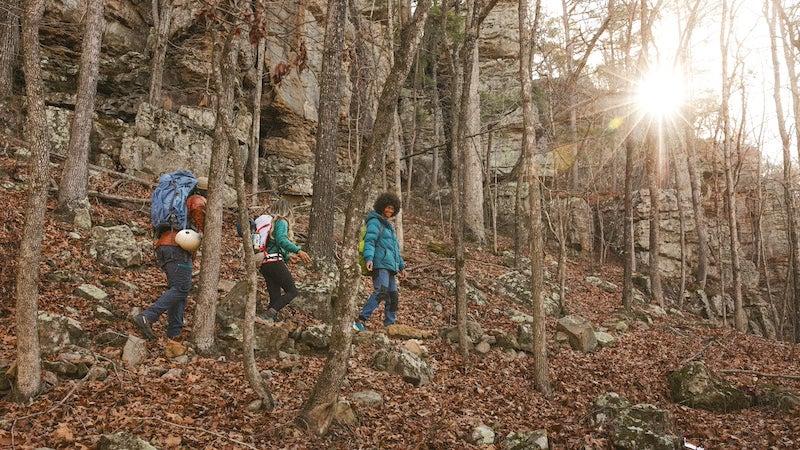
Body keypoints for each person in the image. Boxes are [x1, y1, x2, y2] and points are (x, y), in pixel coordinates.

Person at [133, 177, 207, 341]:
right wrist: (203, 230)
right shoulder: (196, 199)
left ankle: (174, 333)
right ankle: (148, 316)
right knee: (181, 288)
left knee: (178, 289)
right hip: (177, 247)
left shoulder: (179, 201)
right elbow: (198, 206)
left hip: (164, 245)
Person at [354, 192, 406, 331]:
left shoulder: (389, 227)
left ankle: (390, 325)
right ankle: (360, 320)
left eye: (392, 209)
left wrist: (401, 266)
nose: (389, 211)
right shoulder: (374, 221)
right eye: (387, 207)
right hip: (379, 263)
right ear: (381, 206)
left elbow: (394, 249)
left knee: (393, 296)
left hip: (390, 266)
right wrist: (369, 258)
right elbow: (370, 241)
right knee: (381, 292)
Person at [256, 198, 311, 321]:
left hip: (264, 263)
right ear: (287, 211)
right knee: (292, 291)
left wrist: (288, 257)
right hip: (274, 262)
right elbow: (281, 240)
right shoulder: (281, 221)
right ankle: (268, 316)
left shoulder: (270, 223)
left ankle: (268, 321)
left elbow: (273, 244)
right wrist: (298, 250)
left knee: (275, 297)